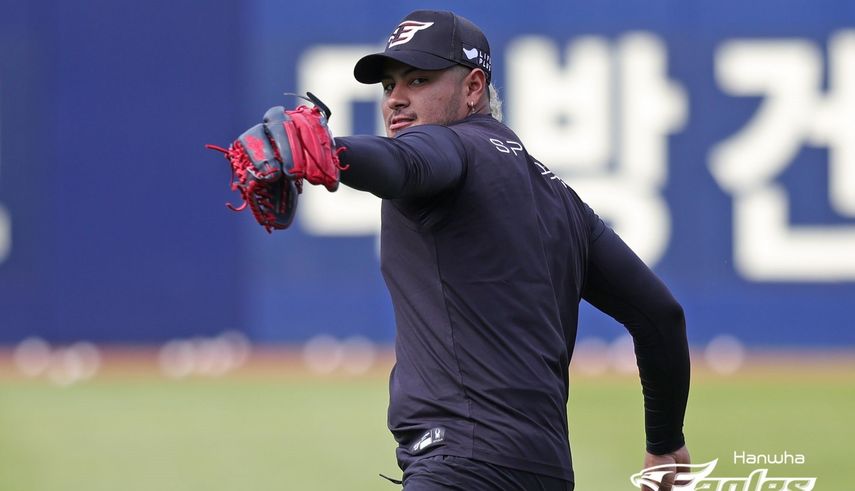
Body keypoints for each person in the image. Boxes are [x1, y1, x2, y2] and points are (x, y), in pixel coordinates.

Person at [326, 10, 691, 490]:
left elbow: (404, 163)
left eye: (418, 79)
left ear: (473, 87)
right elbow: (660, 315)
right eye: (389, 85)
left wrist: (328, 151)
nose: (395, 98)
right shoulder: (561, 199)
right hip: (546, 471)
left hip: (457, 465)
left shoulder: (446, 149)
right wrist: (665, 441)